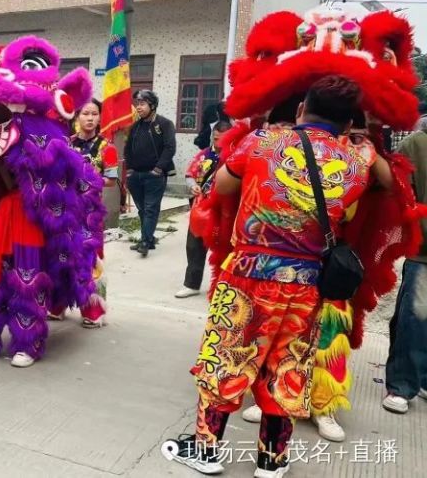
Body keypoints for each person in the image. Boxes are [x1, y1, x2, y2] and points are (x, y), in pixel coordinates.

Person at [163, 76, 389, 477]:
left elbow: (222, 185)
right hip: (307, 285)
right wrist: (361, 137)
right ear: (350, 120)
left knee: (227, 360)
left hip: (249, 277)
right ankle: (272, 460)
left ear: (302, 108)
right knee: (287, 367)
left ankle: (207, 450)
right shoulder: (359, 158)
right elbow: (389, 181)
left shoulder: (265, 141)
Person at [46, 99, 114, 327]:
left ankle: (93, 309)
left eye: (95, 114)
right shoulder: (66, 143)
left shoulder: (108, 148)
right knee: (61, 255)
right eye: (85, 113)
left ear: (100, 117)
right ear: (77, 117)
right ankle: (58, 304)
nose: (90, 118)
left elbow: (112, 180)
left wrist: (89, 180)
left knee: (91, 259)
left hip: (91, 214)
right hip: (66, 211)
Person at [383, 120, 427, 414]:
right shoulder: (417, 144)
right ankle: (402, 385)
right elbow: (397, 191)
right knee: (415, 319)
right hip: (424, 251)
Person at [175, 120, 232, 299]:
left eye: (222, 138)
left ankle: (223, 287)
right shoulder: (203, 155)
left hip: (224, 210)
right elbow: (189, 174)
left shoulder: (234, 157)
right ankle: (191, 284)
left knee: (224, 249)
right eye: (216, 137)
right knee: (194, 246)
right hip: (201, 209)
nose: (218, 141)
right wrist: (192, 186)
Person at [124, 89, 175, 257]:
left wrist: (158, 169)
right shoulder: (135, 127)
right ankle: (149, 238)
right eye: (137, 104)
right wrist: (129, 170)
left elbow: (169, 148)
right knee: (142, 209)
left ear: (152, 105)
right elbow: (127, 149)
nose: (138, 107)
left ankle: (145, 242)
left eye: (142, 104)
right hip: (135, 176)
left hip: (154, 175)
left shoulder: (165, 124)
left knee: (150, 208)